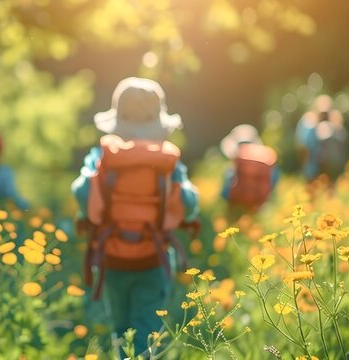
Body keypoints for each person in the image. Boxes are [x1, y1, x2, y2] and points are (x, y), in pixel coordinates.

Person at [71, 77, 199, 357]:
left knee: (121, 330)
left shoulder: (103, 156)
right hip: (153, 258)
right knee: (146, 331)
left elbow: (81, 191)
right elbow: (188, 204)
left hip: (112, 258)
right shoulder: (168, 161)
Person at [219, 124, 279, 214]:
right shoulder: (266, 159)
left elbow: (225, 192)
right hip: (260, 206)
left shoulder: (234, 162)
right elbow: (273, 185)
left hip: (236, 206)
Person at [295, 95, 349, 182]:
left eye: (325, 113)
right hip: (313, 169)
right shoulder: (308, 125)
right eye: (322, 113)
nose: (324, 116)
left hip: (331, 169)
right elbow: (303, 147)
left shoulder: (336, 126)